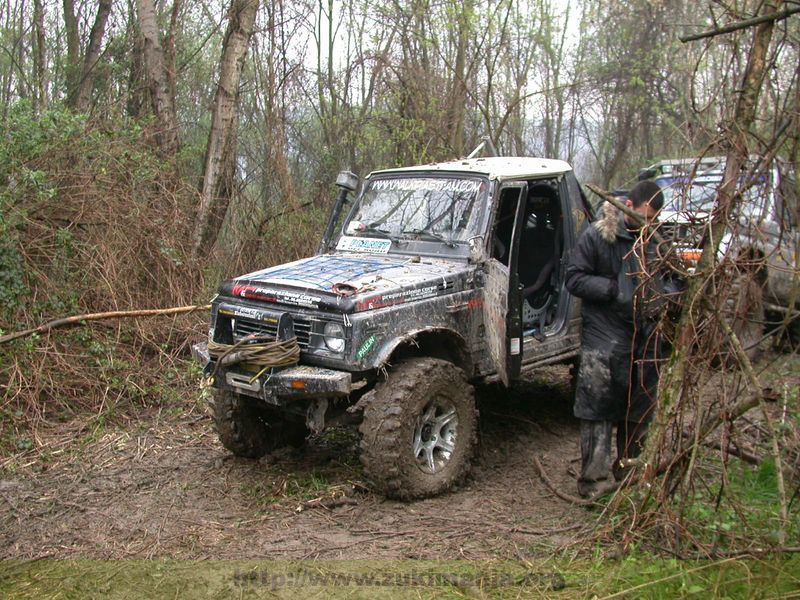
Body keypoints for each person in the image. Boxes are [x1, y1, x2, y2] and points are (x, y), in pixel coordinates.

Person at [564, 180, 666, 498]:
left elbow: (674, 278)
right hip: (604, 335)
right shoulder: (598, 234)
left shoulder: (657, 241)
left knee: (640, 409)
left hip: (646, 335)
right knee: (598, 411)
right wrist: (613, 289)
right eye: (644, 217)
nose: (648, 224)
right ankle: (593, 483)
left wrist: (668, 297)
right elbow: (574, 277)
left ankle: (630, 477)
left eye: (654, 219)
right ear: (629, 207)